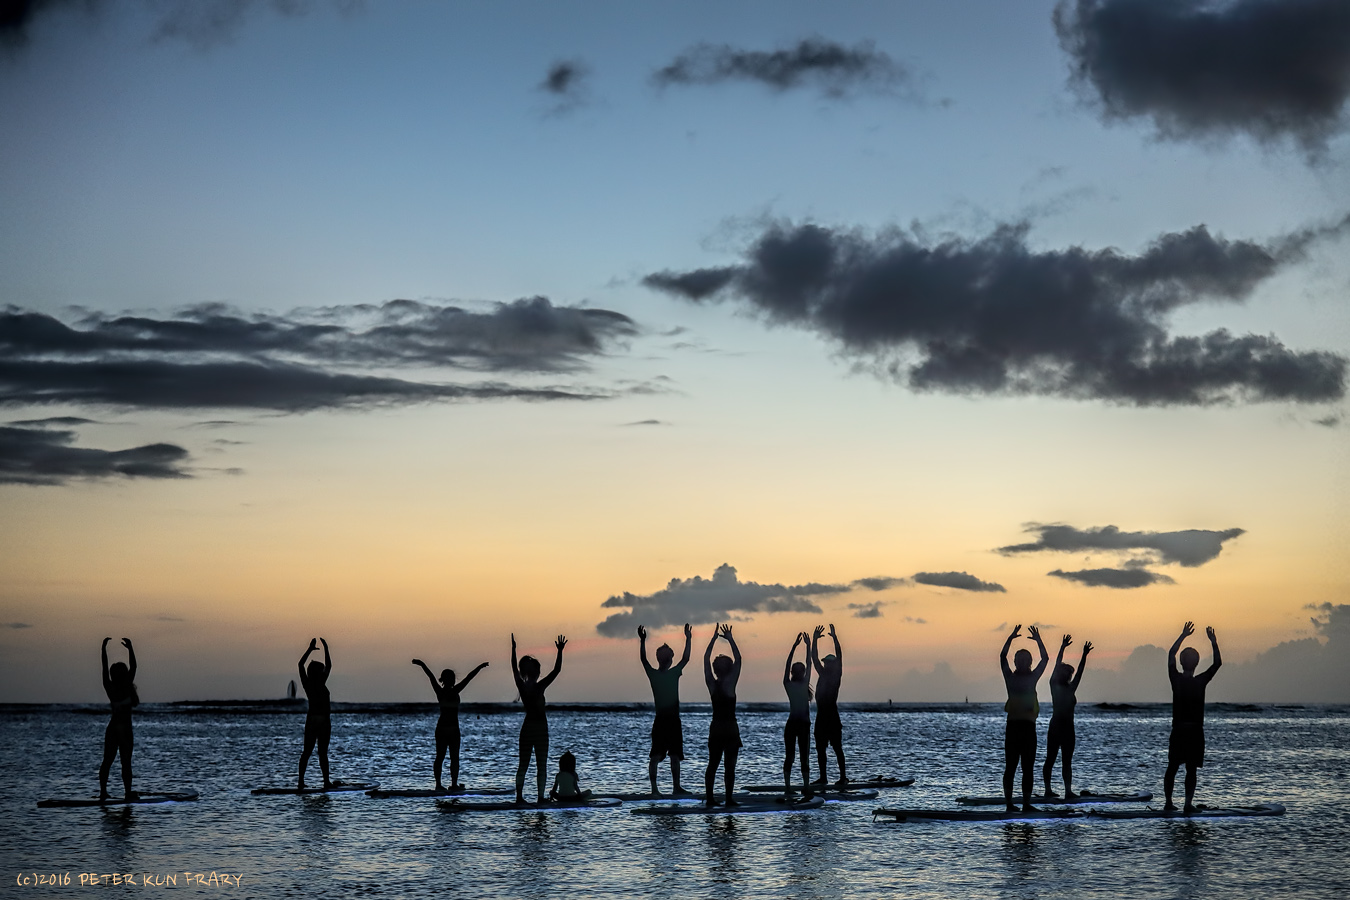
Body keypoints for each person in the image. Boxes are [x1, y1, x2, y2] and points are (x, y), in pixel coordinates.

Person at [1164, 622, 1222, 813]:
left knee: (1173, 767)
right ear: (1196, 664)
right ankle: (1187, 804)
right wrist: (1213, 642)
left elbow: (1171, 654)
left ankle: (1169, 803)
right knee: (1190, 769)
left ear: (1183, 663)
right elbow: (1217, 664)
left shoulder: (1176, 679)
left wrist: (1182, 635)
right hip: (1194, 732)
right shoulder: (1200, 681)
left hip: (1180, 730)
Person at [412, 657, 489, 791]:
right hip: (447, 729)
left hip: (450, 729)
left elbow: (469, 677)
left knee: (449, 757)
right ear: (446, 680)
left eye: (452, 678)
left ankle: (449, 784)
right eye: (450, 678)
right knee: (444, 757)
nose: (452, 680)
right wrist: (421, 664)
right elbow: (430, 675)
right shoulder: (444, 691)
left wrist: (480, 667)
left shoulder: (450, 691)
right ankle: (442, 785)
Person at [638, 623, 693, 795]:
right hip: (668, 720)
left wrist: (642, 641)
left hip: (664, 720)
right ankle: (668, 788)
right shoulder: (672, 672)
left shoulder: (657, 674)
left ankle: (662, 789)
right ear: (669, 660)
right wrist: (688, 639)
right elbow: (685, 659)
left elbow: (643, 660)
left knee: (664, 756)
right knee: (669, 756)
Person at [512, 633, 566, 804]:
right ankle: (540, 798)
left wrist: (513, 650)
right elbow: (557, 670)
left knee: (524, 765)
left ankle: (520, 798)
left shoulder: (521, 685)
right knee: (540, 765)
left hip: (528, 728)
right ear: (535, 672)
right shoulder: (539, 686)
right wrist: (560, 651)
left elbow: (513, 667)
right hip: (540, 729)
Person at [1000, 624, 1048, 812]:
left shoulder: (1033, 677)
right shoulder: (1010, 678)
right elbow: (1002, 657)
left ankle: (1027, 804)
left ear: (1028, 662)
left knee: (1028, 767)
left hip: (1029, 728)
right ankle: (1009, 804)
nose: (1021, 662)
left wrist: (1039, 640)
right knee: (1011, 766)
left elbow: (1045, 659)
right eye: (1019, 659)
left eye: (1025, 659)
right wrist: (1010, 638)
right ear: (1015, 662)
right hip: (1013, 727)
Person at [1043, 633, 1092, 799]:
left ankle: (1068, 791)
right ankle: (1048, 790)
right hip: (1056, 726)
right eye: (1064, 672)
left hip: (1068, 728)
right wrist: (1062, 647)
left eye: (1068, 673)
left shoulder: (1071, 688)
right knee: (1050, 759)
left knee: (1066, 761)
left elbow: (1080, 673)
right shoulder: (1054, 685)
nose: (1067, 675)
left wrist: (1084, 655)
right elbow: (1056, 665)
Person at [703, 623, 742, 807]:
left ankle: (711, 798)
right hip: (729, 728)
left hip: (717, 728)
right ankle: (727, 799)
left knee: (714, 764)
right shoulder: (729, 683)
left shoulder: (712, 683)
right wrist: (730, 638)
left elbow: (705, 659)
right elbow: (739, 659)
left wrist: (712, 640)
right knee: (729, 767)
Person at [99, 637, 138, 800]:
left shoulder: (110, 686)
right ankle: (127, 792)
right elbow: (134, 667)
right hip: (124, 728)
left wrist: (103, 650)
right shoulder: (127, 685)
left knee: (107, 760)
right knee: (125, 762)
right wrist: (130, 648)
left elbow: (104, 668)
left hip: (113, 727)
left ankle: (103, 792)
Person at [810, 624, 847, 785]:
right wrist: (814, 640)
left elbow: (840, 655)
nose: (826, 664)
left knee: (837, 748)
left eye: (829, 663)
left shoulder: (835, 676)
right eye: (825, 663)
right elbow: (814, 658)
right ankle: (823, 777)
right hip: (821, 716)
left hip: (832, 715)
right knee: (820, 749)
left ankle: (842, 777)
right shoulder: (822, 673)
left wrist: (835, 638)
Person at [297, 638, 332, 790]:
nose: (324, 670)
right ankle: (325, 782)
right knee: (321, 753)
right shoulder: (317, 683)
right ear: (317, 672)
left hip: (313, 721)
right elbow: (329, 665)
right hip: (322, 721)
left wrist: (311, 649)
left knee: (309, 752)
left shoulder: (309, 683)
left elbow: (300, 665)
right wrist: (325, 647)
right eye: (321, 669)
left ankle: (301, 782)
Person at [783, 631, 814, 796]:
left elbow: (806, 664)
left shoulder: (792, 684)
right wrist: (803, 646)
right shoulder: (791, 684)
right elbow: (789, 665)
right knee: (796, 757)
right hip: (798, 724)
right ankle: (795, 788)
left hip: (799, 724)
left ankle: (800, 787)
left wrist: (800, 646)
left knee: (798, 756)